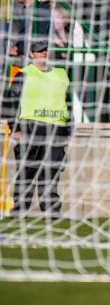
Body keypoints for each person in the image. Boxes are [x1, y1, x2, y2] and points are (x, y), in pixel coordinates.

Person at [2, 40, 70, 218]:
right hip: (30, 129)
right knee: (27, 171)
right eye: (39, 51)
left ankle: (51, 211)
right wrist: (15, 128)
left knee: (51, 173)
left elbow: (67, 104)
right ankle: (20, 210)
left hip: (55, 129)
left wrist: (67, 131)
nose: (44, 54)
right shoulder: (24, 75)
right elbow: (9, 104)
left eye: (46, 51)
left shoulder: (60, 75)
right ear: (32, 54)